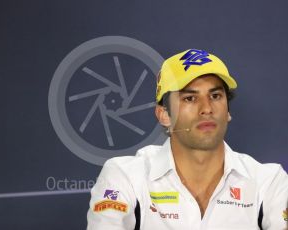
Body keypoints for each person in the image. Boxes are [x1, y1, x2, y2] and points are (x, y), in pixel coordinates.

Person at [87, 49, 288, 230]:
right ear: (164, 115)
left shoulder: (269, 181)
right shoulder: (126, 177)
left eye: (216, 96)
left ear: (227, 111)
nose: (207, 108)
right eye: (190, 98)